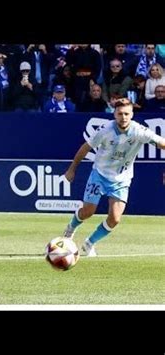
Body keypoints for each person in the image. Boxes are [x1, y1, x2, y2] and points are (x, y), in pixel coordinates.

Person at [63, 98, 165, 256]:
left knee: (115, 219)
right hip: (100, 174)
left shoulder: (139, 131)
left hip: (121, 180)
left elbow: (162, 143)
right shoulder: (105, 130)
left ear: (132, 115)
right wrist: (72, 169)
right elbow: (85, 147)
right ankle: (70, 229)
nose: (123, 117)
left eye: (126, 114)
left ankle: (89, 243)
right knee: (88, 212)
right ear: (114, 114)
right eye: (120, 114)